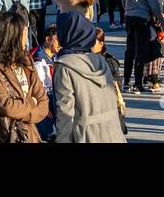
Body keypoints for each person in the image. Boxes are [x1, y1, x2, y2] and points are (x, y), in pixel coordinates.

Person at [0, 9, 48, 143]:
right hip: (3, 135)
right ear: (11, 36)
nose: (26, 36)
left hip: (29, 135)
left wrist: (24, 112)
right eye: (23, 32)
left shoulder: (26, 59)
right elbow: (7, 106)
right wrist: (31, 103)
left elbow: (43, 103)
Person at [52, 12, 126, 143]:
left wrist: (62, 139)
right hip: (112, 132)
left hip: (85, 135)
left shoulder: (64, 66)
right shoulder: (100, 60)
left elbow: (65, 111)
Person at [121, 0, 163, 93]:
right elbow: (154, 5)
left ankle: (126, 81)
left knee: (130, 49)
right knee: (141, 51)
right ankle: (138, 83)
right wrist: (162, 21)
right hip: (141, 19)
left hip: (129, 17)